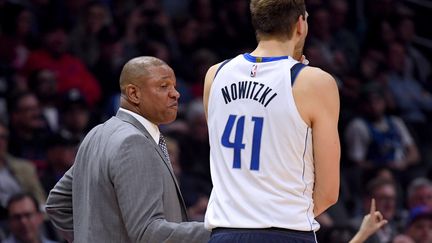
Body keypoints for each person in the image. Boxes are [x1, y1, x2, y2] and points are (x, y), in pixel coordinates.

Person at [202, 0, 340, 242]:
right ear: (300, 24)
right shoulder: (316, 83)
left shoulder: (215, 74)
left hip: (225, 232)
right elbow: (328, 192)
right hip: (286, 232)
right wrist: (285, 215)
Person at [45, 56, 210, 242]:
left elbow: (56, 204)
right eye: (164, 86)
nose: (176, 94)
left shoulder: (97, 133)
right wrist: (217, 233)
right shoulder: (134, 142)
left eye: (174, 86)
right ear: (134, 93)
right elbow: (148, 232)